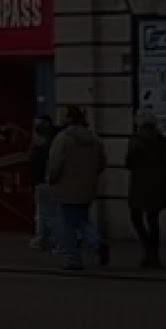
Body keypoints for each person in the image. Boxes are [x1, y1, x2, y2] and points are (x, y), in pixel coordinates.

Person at [47, 105, 110, 270]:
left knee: (67, 224)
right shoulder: (94, 139)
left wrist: (51, 180)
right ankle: (97, 242)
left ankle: (73, 258)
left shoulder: (63, 139)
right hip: (87, 187)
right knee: (81, 220)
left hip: (65, 188)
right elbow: (102, 163)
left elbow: (55, 165)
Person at [126, 110, 166, 268]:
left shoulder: (136, 140)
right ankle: (154, 254)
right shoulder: (160, 140)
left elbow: (129, 163)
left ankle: (148, 248)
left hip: (140, 185)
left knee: (136, 217)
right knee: (153, 220)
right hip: (157, 185)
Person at [29, 115, 62, 253]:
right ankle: (43, 239)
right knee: (44, 213)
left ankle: (54, 241)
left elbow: (37, 163)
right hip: (45, 181)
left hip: (45, 181)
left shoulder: (43, 144)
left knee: (48, 214)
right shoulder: (53, 141)